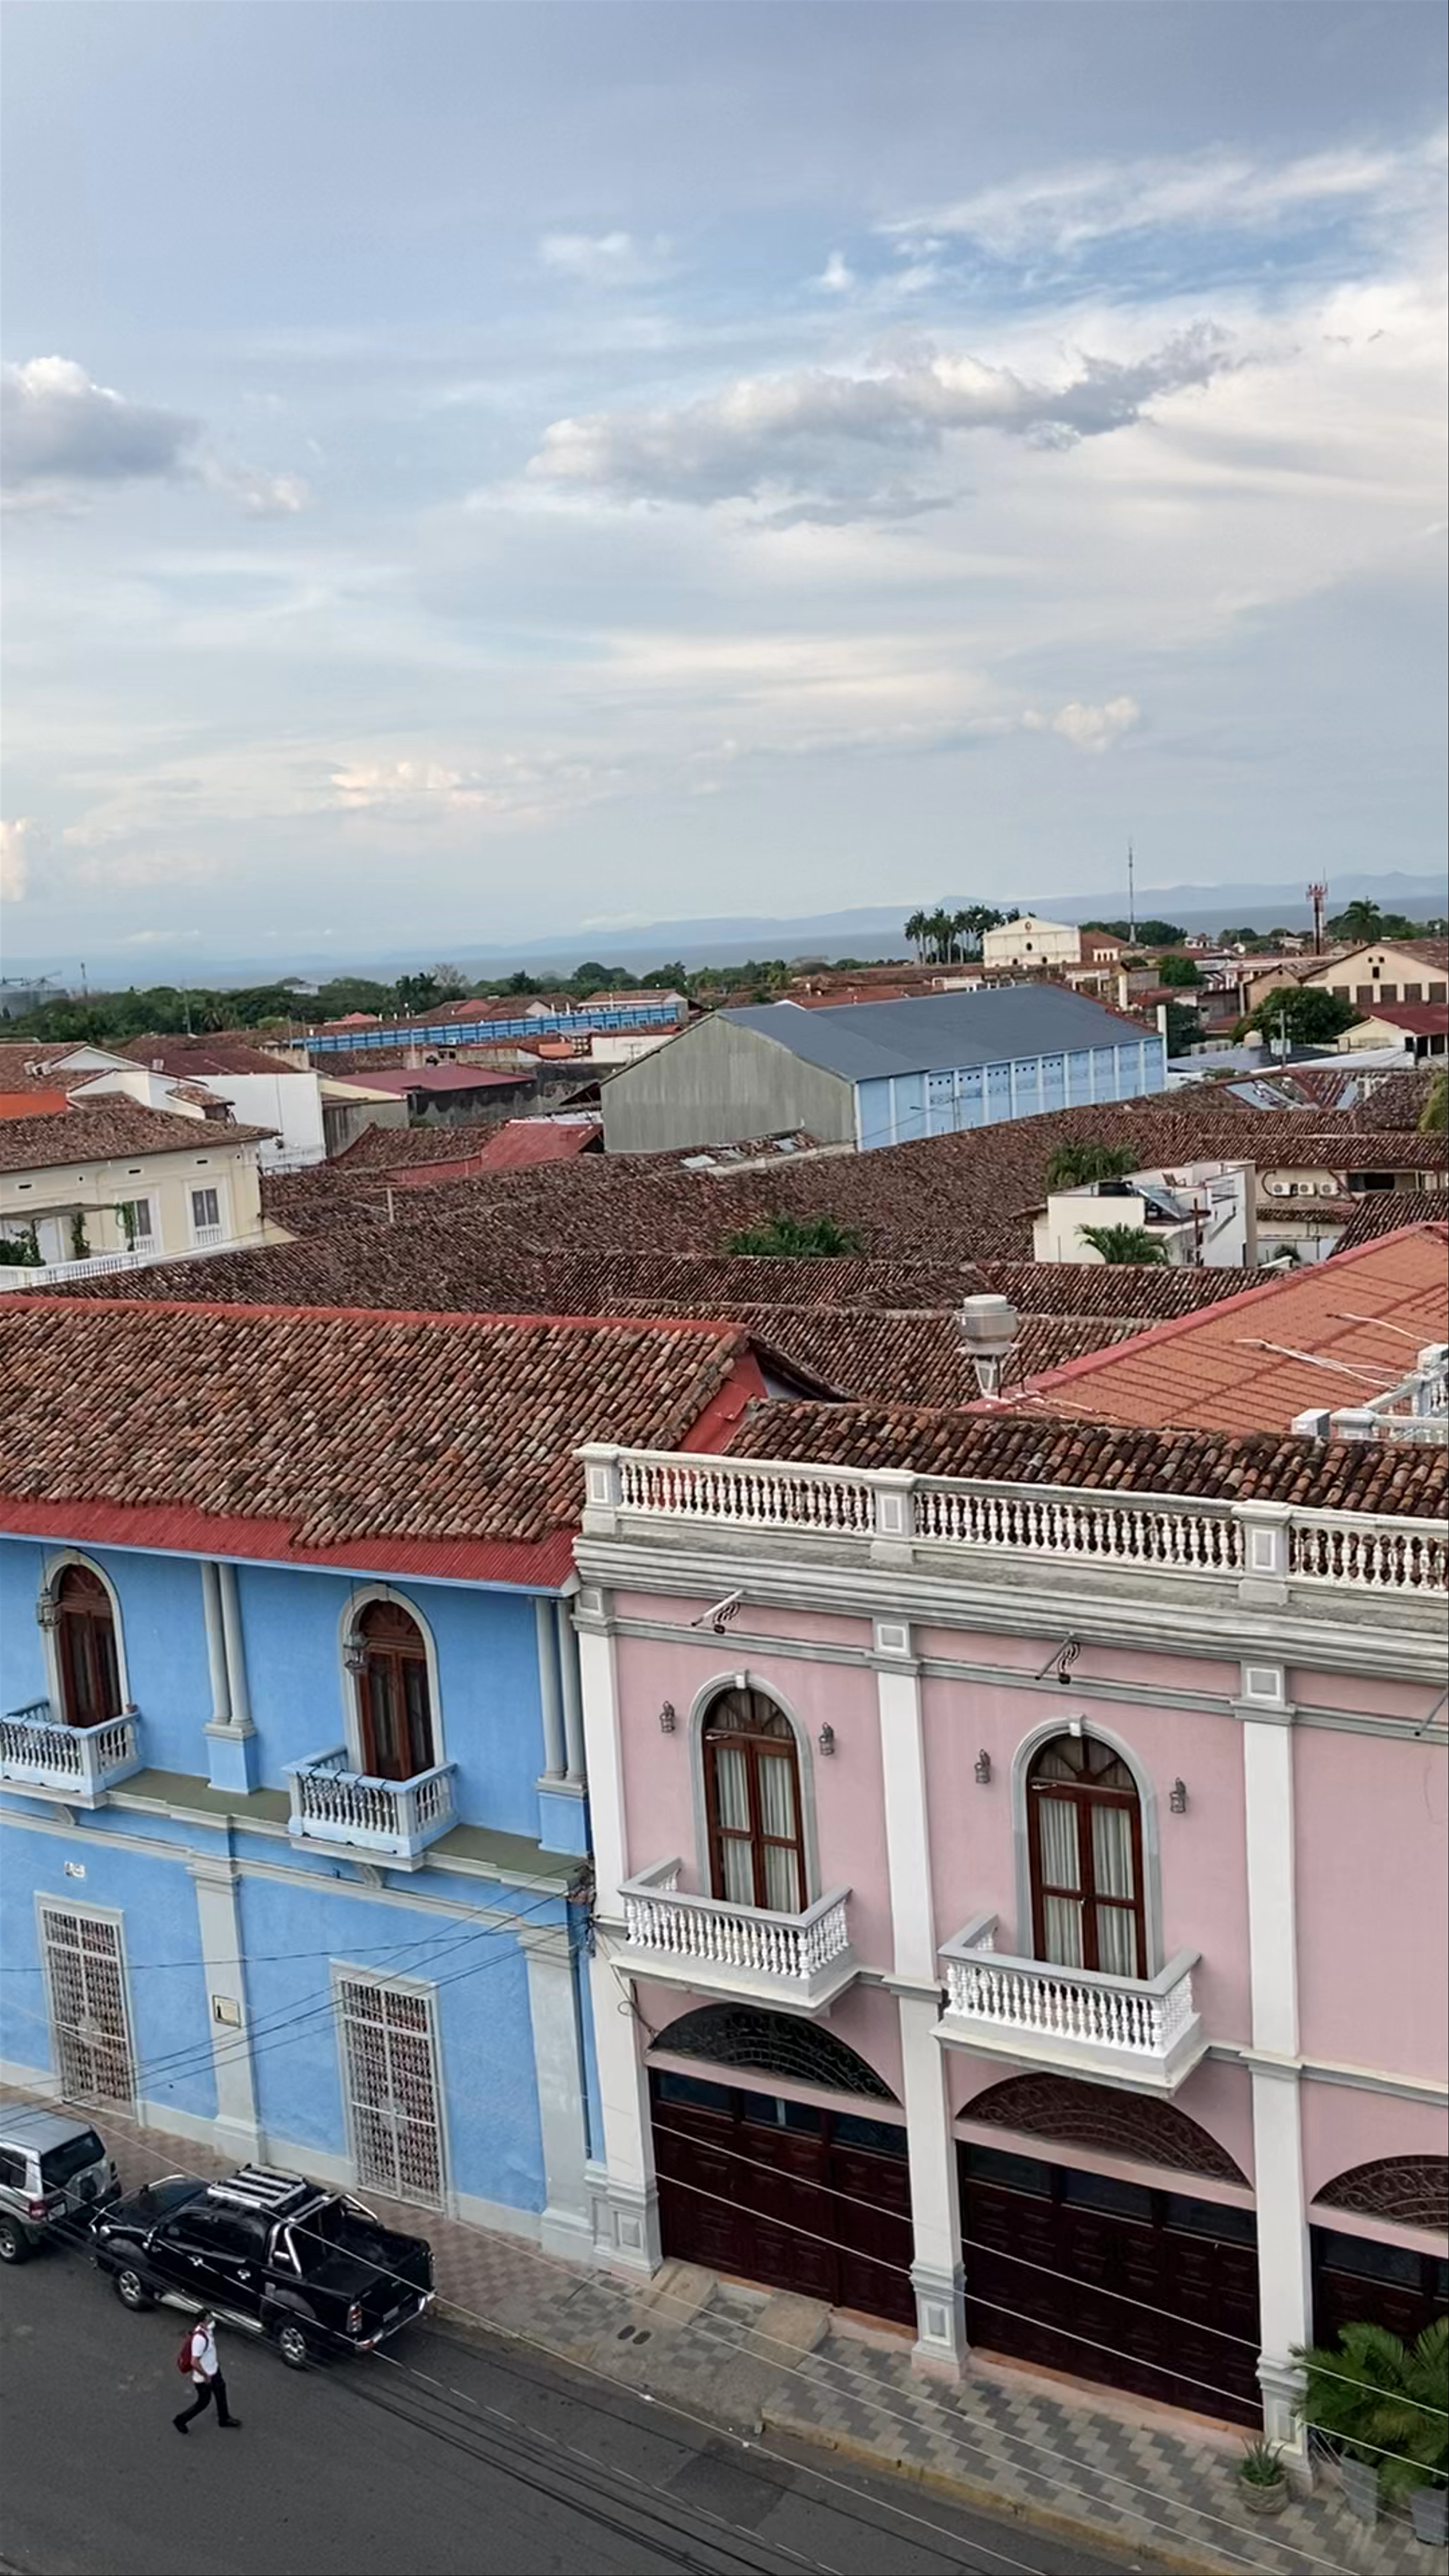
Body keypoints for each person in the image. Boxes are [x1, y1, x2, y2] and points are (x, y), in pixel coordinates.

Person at [173, 2312, 242, 2433]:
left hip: (214, 2371)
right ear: (202, 2323)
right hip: (205, 2377)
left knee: (221, 2393)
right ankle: (181, 2420)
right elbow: (194, 2362)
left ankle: (224, 2419)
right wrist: (206, 2376)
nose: (212, 2321)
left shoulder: (207, 2331)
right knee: (203, 2402)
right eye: (209, 2320)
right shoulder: (199, 2339)